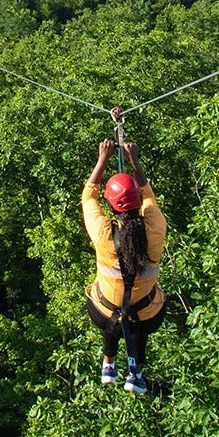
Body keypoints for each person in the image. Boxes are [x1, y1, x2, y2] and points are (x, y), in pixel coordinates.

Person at [83, 134, 166, 394]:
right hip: (147, 316)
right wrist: (134, 162)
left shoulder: (104, 232)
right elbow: (149, 196)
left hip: (105, 313)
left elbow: (88, 198)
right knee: (137, 318)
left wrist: (102, 159)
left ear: (111, 204)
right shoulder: (155, 228)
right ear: (138, 203)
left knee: (111, 309)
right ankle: (136, 371)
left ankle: (109, 362)